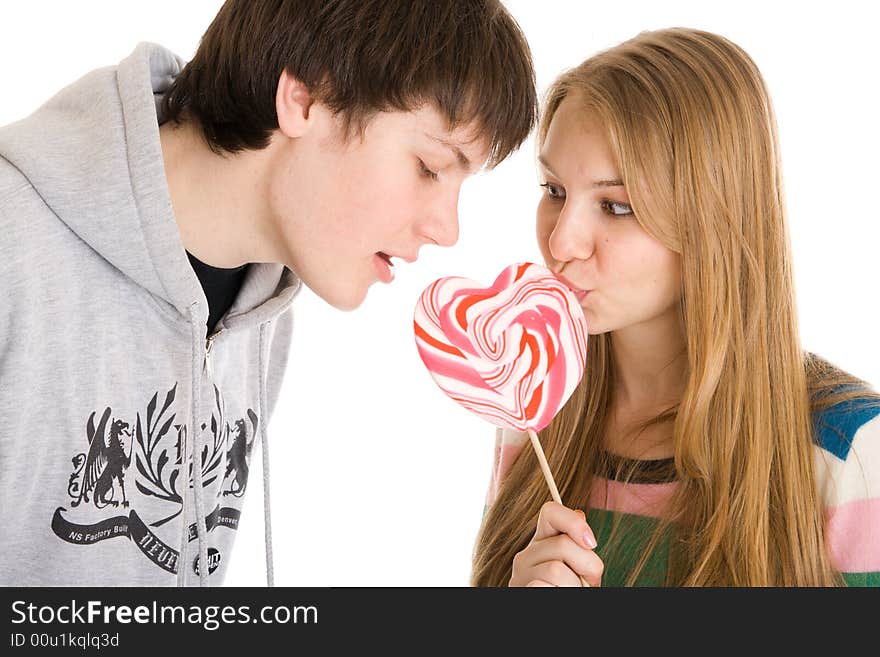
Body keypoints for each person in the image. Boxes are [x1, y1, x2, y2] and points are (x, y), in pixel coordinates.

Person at [0, 0, 537, 586]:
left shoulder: (263, 305)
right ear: (304, 99)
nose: (447, 229)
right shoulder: (13, 246)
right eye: (430, 167)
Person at [472, 27, 879, 587]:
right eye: (554, 191)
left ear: (712, 221)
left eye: (614, 206)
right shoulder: (534, 413)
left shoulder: (850, 452)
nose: (561, 244)